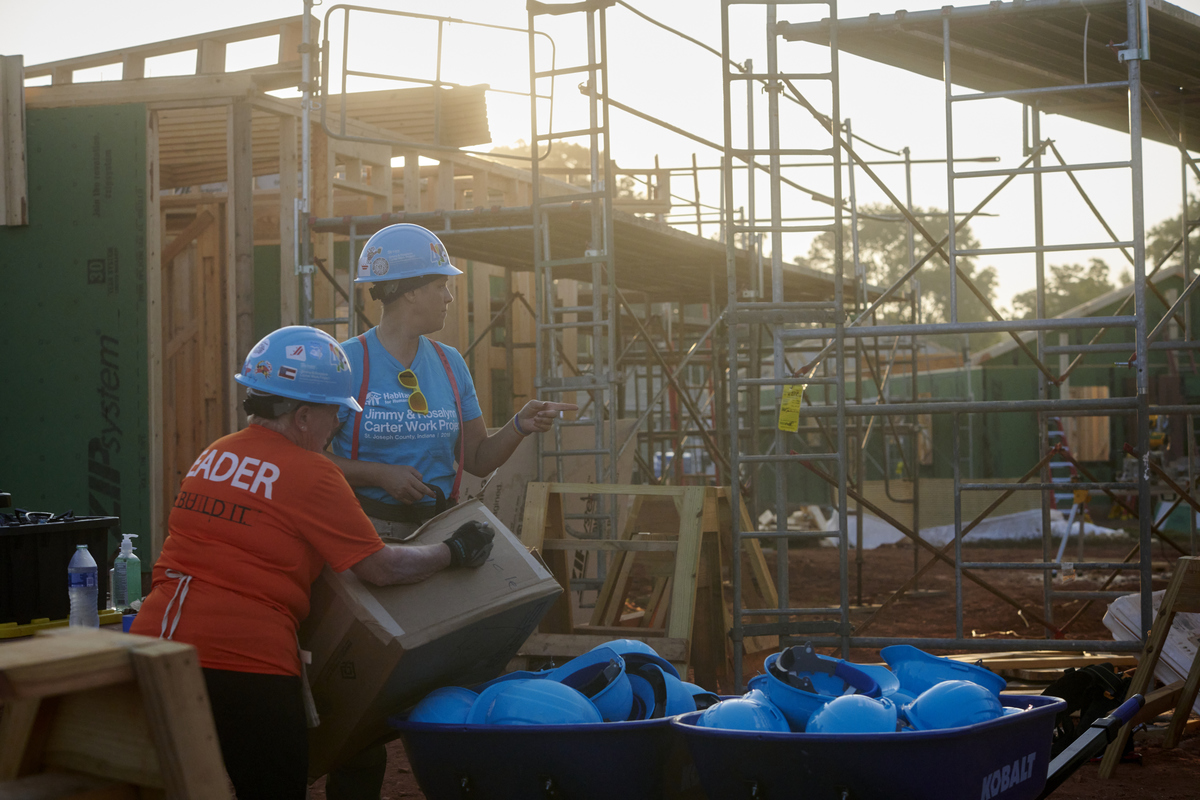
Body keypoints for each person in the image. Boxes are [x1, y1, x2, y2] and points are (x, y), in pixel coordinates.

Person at [130, 325, 494, 800]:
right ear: (302, 416)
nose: (338, 427)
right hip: (246, 661)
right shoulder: (314, 473)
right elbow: (380, 567)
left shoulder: (214, 454)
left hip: (152, 649)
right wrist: (455, 551)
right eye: (336, 415)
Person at [322, 223, 575, 797]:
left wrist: (520, 425)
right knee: (363, 694)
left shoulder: (450, 364)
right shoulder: (347, 364)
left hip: (438, 535)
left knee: (446, 679)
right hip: (364, 541)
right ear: (410, 290)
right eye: (441, 284)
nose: (450, 295)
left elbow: (478, 458)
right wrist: (376, 473)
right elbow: (305, 460)